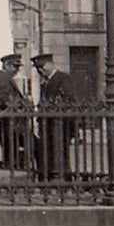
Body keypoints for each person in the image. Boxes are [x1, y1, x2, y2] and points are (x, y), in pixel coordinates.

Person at [32, 52, 80, 181]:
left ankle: (63, 180)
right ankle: (52, 179)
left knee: (61, 153)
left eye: (42, 67)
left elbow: (70, 100)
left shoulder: (63, 78)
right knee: (49, 153)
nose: (40, 71)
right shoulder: (46, 82)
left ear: (50, 64)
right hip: (47, 125)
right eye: (37, 69)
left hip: (61, 124)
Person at [0, 53, 31, 170]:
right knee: (21, 150)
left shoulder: (5, 79)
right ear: (6, 65)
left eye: (18, 67)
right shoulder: (2, 80)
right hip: (8, 123)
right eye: (15, 67)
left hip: (10, 124)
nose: (17, 70)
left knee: (12, 152)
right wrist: (21, 104)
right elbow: (3, 100)